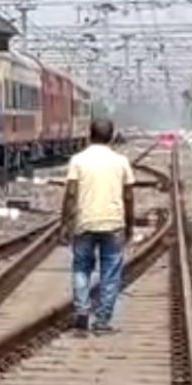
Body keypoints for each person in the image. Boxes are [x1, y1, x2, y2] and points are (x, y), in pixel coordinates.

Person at [61, 117, 136, 335]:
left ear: (89, 135)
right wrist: (130, 225)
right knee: (111, 273)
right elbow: (129, 196)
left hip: (84, 223)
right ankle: (102, 321)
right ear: (112, 137)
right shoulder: (121, 161)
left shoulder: (78, 160)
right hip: (113, 224)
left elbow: (71, 194)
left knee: (81, 267)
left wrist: (64, 223)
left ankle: (82, 313)